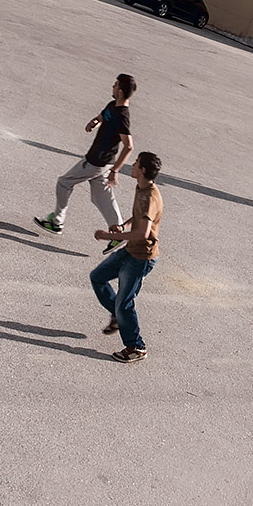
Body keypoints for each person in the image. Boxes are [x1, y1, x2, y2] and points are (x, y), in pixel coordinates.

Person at [36, 74, 135, 253]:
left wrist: (116, 170)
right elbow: (102, 117)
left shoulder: (123, 116)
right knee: (101, 196)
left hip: (97, 162)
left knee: (64, 182)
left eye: (115, 85)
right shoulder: (112, 105)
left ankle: (56, 221)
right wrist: (95, 122)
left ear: (120, 91)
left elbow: (129, 146)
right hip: (101, 162)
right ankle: (118, 231)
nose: (112, 86)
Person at [90, 152, 163, 363]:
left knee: (125, 303)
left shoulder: (150, 196)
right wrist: (124, 225)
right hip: (131, 250)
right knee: (98, 276)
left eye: (136, 163)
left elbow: (144, 233)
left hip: (142, 258)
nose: (132, 165)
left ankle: (136, 347)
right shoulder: (141, 188)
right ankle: (117, 316)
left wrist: (110, 236)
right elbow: (139, 217)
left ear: (142, 170)